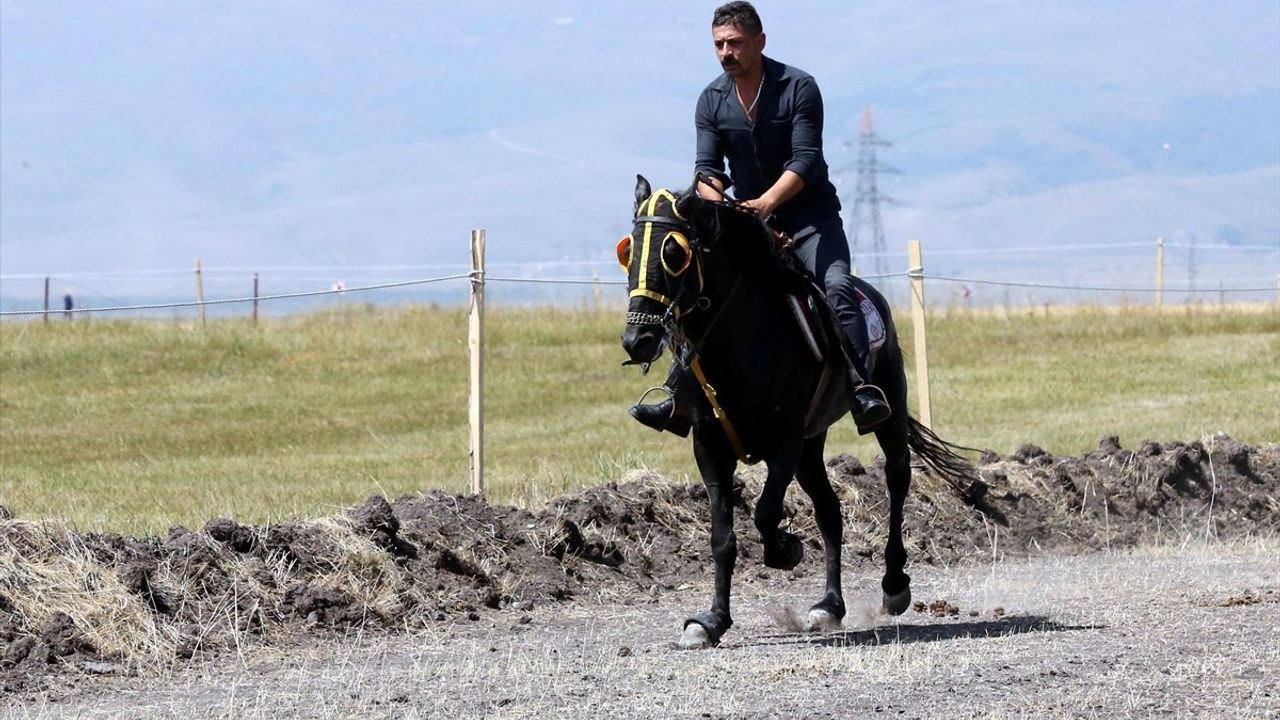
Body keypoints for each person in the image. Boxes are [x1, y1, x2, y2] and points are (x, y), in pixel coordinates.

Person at [630, 1, 891, 437]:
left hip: (810, 219)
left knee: (838, 287)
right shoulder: (711, 99)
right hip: (748, 222)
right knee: (701, 291)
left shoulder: (799, 87)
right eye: (718, 45)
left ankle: (861, 387)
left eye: (734, 43)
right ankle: (677, 396)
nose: (725, 52)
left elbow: (806, 160)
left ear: (759, 42)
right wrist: (716, 205)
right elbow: (708, 171)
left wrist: (766, 204)